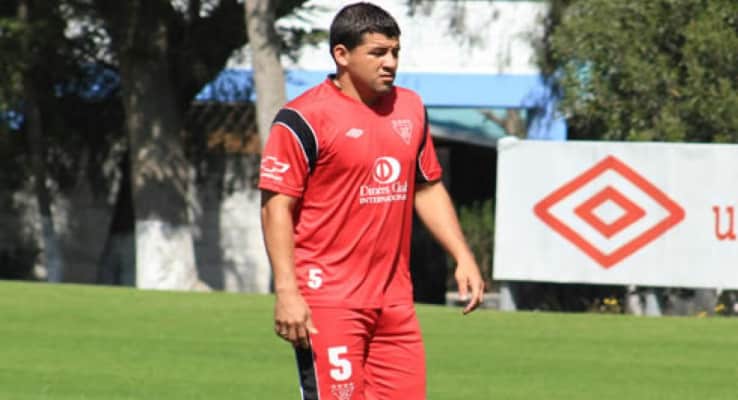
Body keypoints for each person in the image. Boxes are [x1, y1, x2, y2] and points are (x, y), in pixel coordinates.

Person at [258, 3, 485, 399]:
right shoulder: (303, 119)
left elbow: (426, 187)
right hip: (328, 301)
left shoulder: (410, 108)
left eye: (395, 52)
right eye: (378, 53)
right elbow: (276, 207)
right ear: (341, 55)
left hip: (395, 303)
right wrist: (287, 291)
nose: (390, 63)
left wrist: (462, 255)